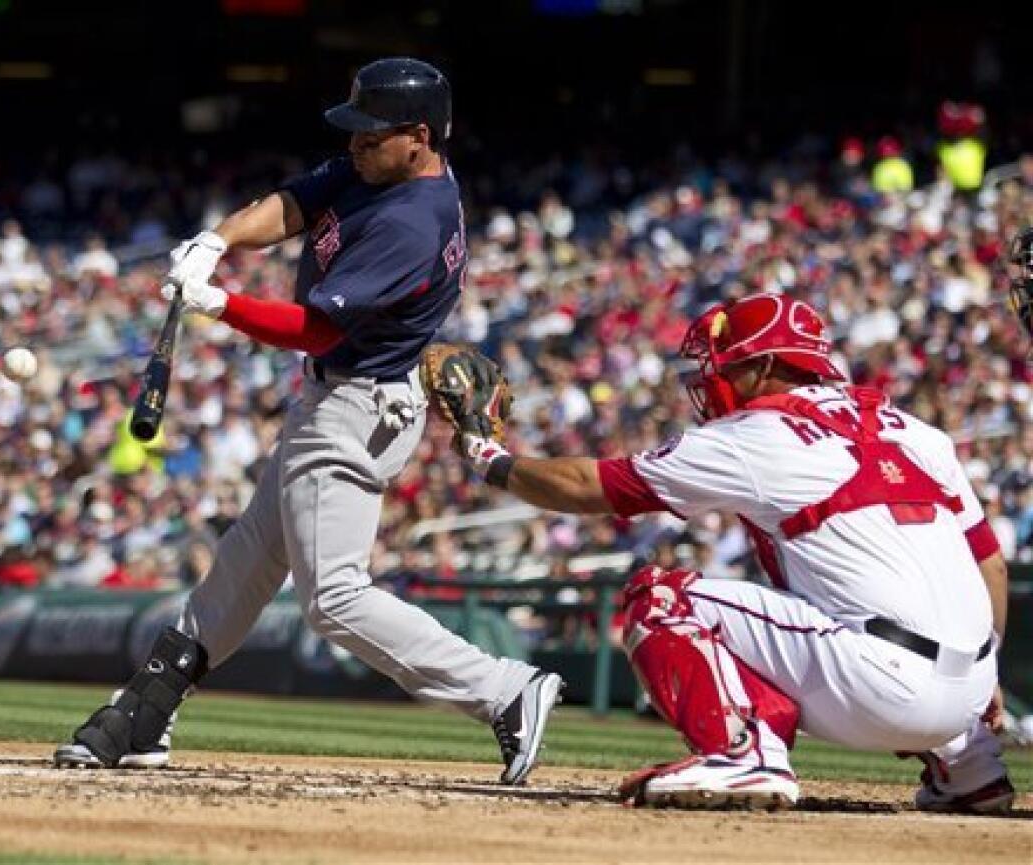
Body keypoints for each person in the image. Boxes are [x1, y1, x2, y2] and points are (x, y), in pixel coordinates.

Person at [53, 57, 562, 784]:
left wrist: (220, 304)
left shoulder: (414, 220)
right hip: (335, 400)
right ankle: (146, 707)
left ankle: (506, 689)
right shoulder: (380, 169)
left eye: (370, 134)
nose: (354, 145)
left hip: (358, 405)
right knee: (246, 561)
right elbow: (294, 202)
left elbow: (318, 331)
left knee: (334, 599)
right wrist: (218, 240)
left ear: (418, 136)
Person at [453, 292, 1012, 811]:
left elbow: (588, 487)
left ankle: (744, 753)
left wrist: (488, 457)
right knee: (895, 608)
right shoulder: (918, 432)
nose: (713, 375)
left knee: (661, 597)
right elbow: (989, 563)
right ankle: (970, 769)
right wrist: (985, 677)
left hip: (877, 686)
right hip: (970, 695)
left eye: (727, 362)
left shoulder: (758, 432)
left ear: (766, 367)